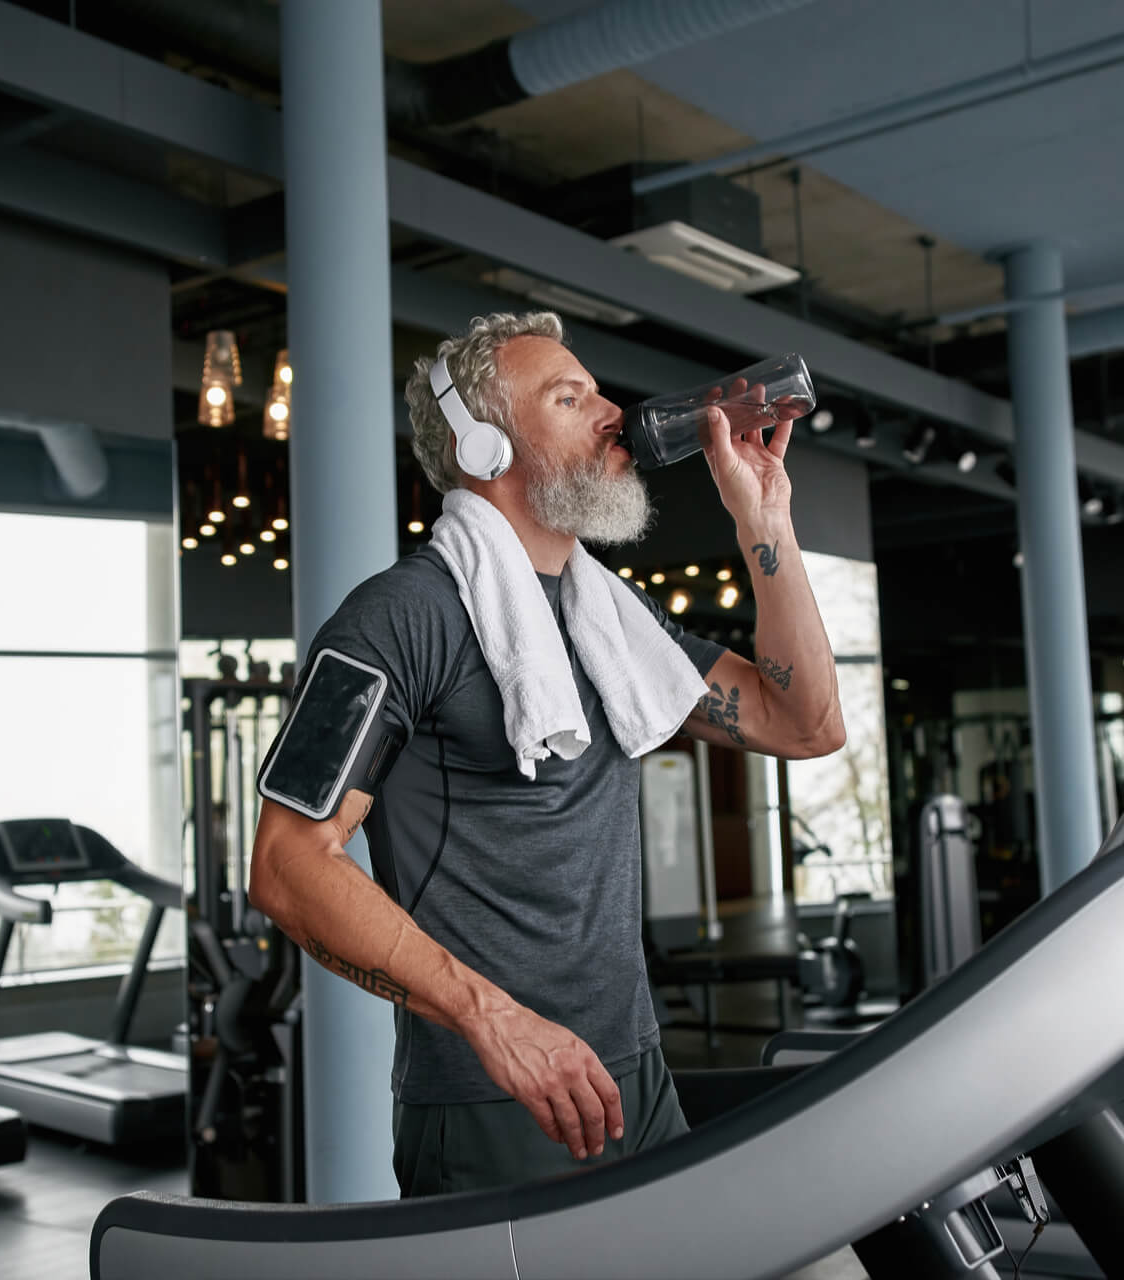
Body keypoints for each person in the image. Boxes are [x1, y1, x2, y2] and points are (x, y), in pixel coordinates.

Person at [247, 312, 846, 1197]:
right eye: (571, 398)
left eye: (599, 390)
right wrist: (493, 1020)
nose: (613, 413)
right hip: (496, 1099)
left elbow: (805, 725)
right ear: (483, 446)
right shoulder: (399, 618)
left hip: (635, 1077)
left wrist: (766, 520)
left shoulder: (614, 623)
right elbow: (287, 864)